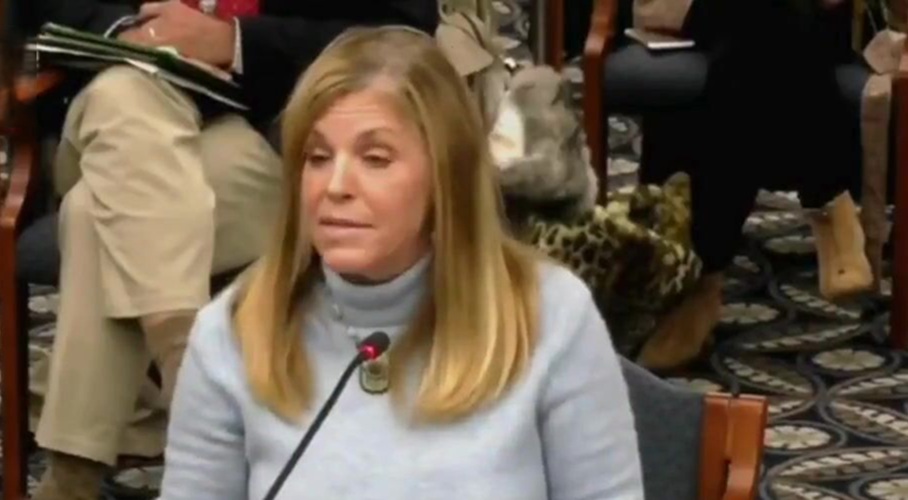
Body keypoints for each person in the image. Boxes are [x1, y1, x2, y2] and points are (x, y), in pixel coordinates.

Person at [159, 26, 644, 500]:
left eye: (375, 159)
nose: (335, 186)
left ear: (444, 177)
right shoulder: (234, 332)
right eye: (318, 157)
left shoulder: (550, 317)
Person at [28, 1, 437, 499]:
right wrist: (131, 33)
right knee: (123, 99)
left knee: (96, 215)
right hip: (104, 120)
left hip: (255, 129)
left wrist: (234, 42)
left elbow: (400, 30)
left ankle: (72, 476)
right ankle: (190, 378)